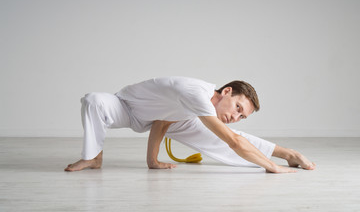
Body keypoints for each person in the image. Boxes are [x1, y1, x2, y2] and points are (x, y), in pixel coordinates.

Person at [64, 76, 315, 173]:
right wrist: (272, 168)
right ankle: (93, 157)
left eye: (242, 116)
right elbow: (234, 141)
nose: (235, 116)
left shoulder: (196, 107)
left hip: (165, 119)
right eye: (237, 108)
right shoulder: (195, 93)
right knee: (94, 100)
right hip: (127, 108)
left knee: (226, 136)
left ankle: (289, 154)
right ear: (227, 91)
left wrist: (152, 162)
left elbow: (162, 121)